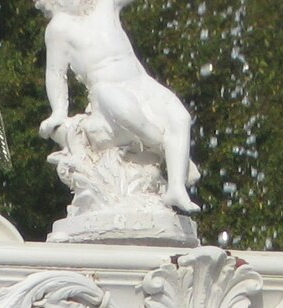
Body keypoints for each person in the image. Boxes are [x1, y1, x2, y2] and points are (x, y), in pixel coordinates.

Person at [35, 0, 200, 213]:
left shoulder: (104, 5)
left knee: (181, 117)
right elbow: (55, 74)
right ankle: (169, 150)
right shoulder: (59, 28)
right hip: (105, 88)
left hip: (141, 82)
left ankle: (176, 188)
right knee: (127, 112)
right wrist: (58, 112)